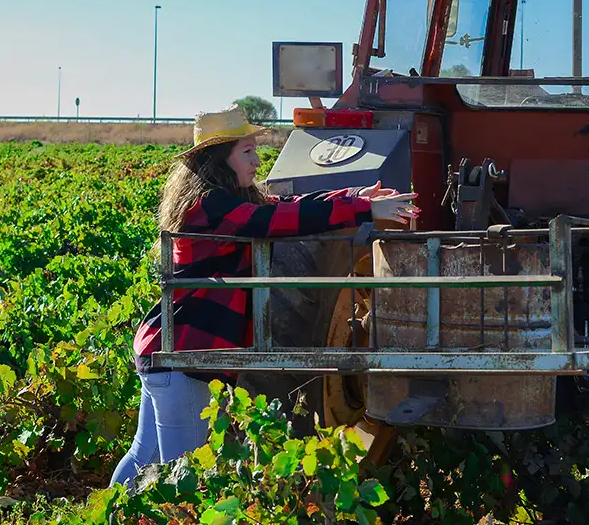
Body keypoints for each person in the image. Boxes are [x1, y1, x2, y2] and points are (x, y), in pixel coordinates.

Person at [109, 104, 419, 489]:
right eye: (247, 152)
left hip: (165, 348)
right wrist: (365, 210)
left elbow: (289, 206)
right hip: (186, 356)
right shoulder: (211, 206)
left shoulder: (221, 201)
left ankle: (111, 511)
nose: (258, 160)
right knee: (179, 471)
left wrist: (355, 196)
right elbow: (274, 223)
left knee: (146, 456)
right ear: (218, 160)